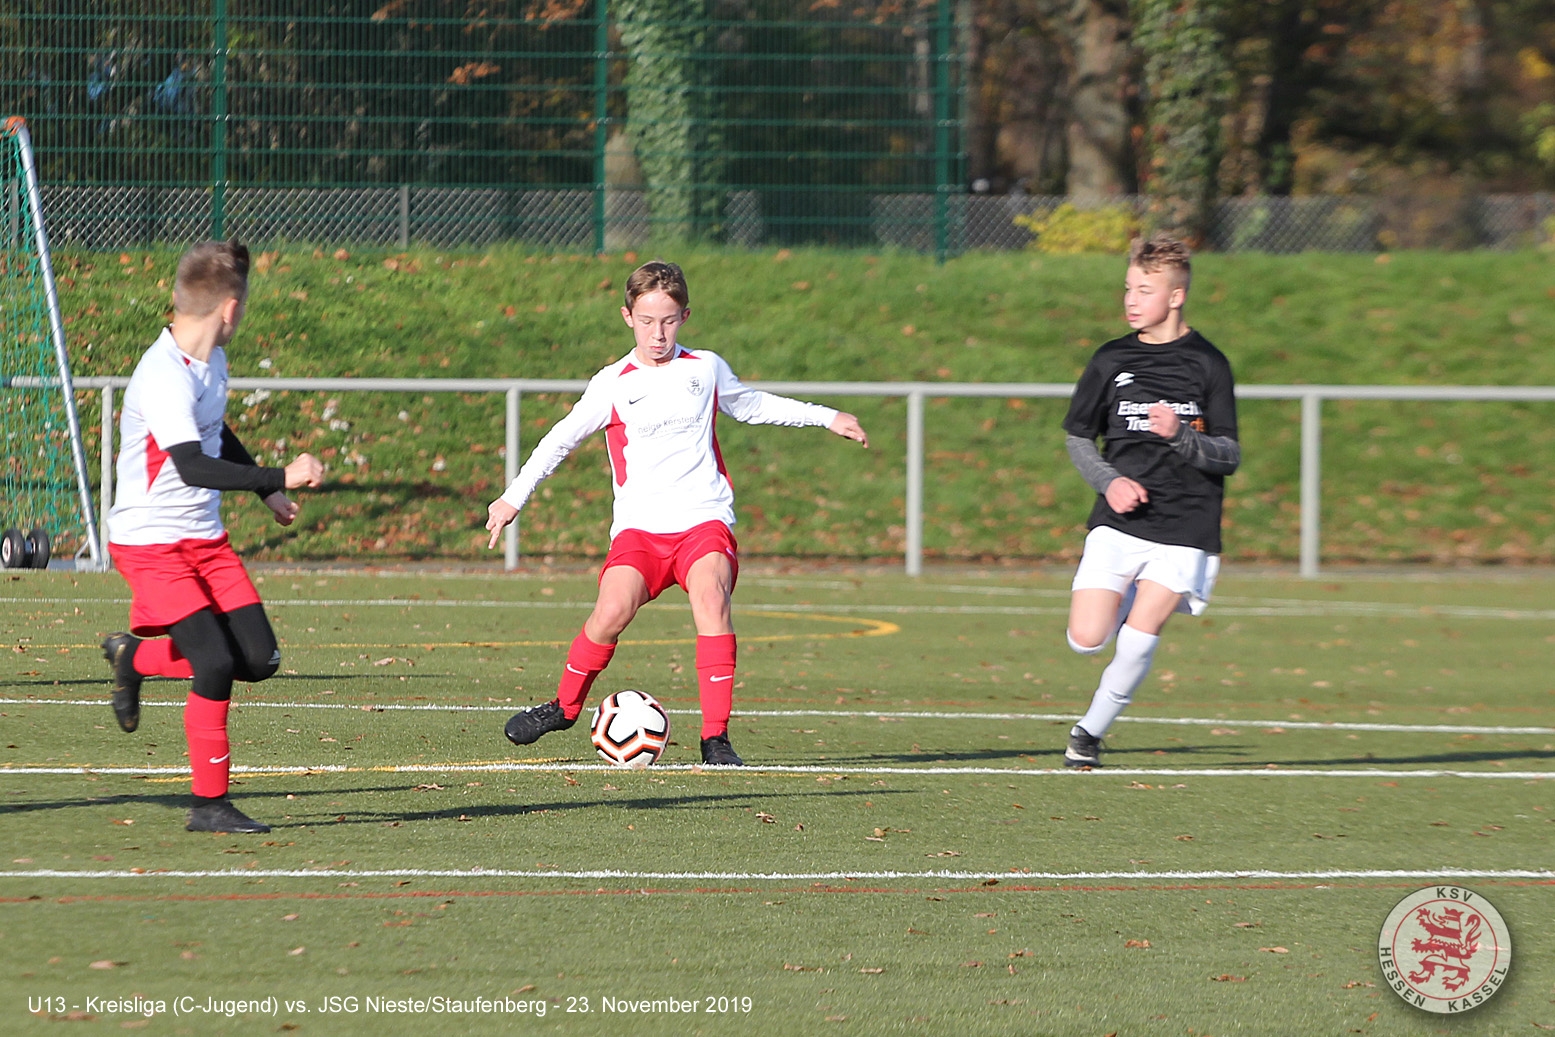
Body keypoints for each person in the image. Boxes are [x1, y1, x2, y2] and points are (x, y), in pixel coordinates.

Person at [485, 260, 868, 766]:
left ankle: (716, 739)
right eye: (646, 321)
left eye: (668, 320)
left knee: (711, 598)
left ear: (684, 316)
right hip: (640, 532)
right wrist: (514, 496)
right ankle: (564, 707)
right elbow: (560, 439)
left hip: (702, 522)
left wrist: (827, 417)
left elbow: (752, 405)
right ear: (627, 317)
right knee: (610, 613)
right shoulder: (613, 383)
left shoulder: (705, 368)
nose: (658, 333)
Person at [101, 240, 323, 833]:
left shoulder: (211, 362)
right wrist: (281, 474)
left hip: (205, 540)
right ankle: (209, 806)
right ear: (230, 309)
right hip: (151, 544)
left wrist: (266, 492)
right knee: (215, 662)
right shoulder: (162, 375)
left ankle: (134, 657)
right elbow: (192, 465)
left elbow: (214, 432)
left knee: (259, 658)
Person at [1058, 234, 1240, 768]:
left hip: (1186, 522)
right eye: (1128, 288)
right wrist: (1108, 481)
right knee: (1087, 639)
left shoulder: (1209, 364)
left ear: (1176, 296)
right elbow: (1077, 437)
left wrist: (1181, 435)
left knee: (1139, 640)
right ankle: (1122, 602)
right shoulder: (1110, 359)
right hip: (1120, 520)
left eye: (1144, 290)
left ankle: (1088, 735)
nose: (1131, 300)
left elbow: (1228, 454)